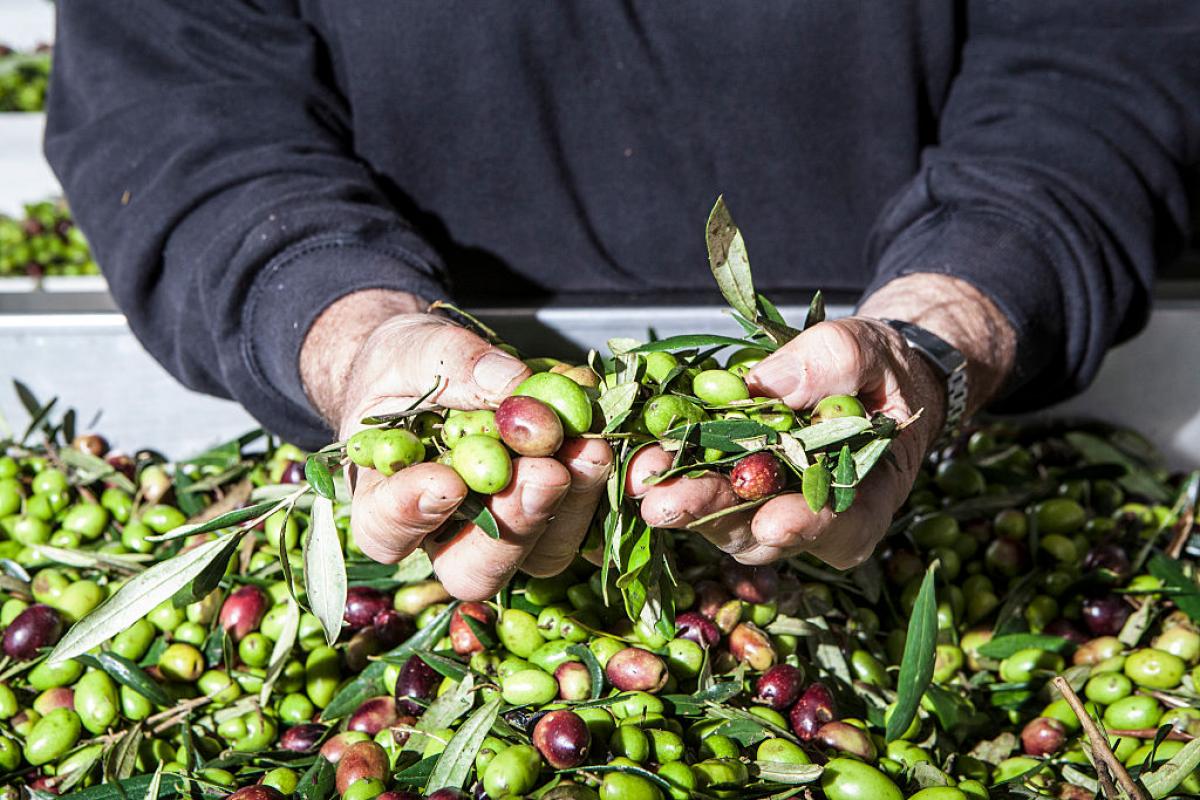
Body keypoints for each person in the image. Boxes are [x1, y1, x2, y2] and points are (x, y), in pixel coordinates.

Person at [44, 3, 1199, 600]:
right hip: (419, 394)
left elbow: (1107, 53)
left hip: (910, 415)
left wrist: (950, 328)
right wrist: (348, 329)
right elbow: (171, 87)